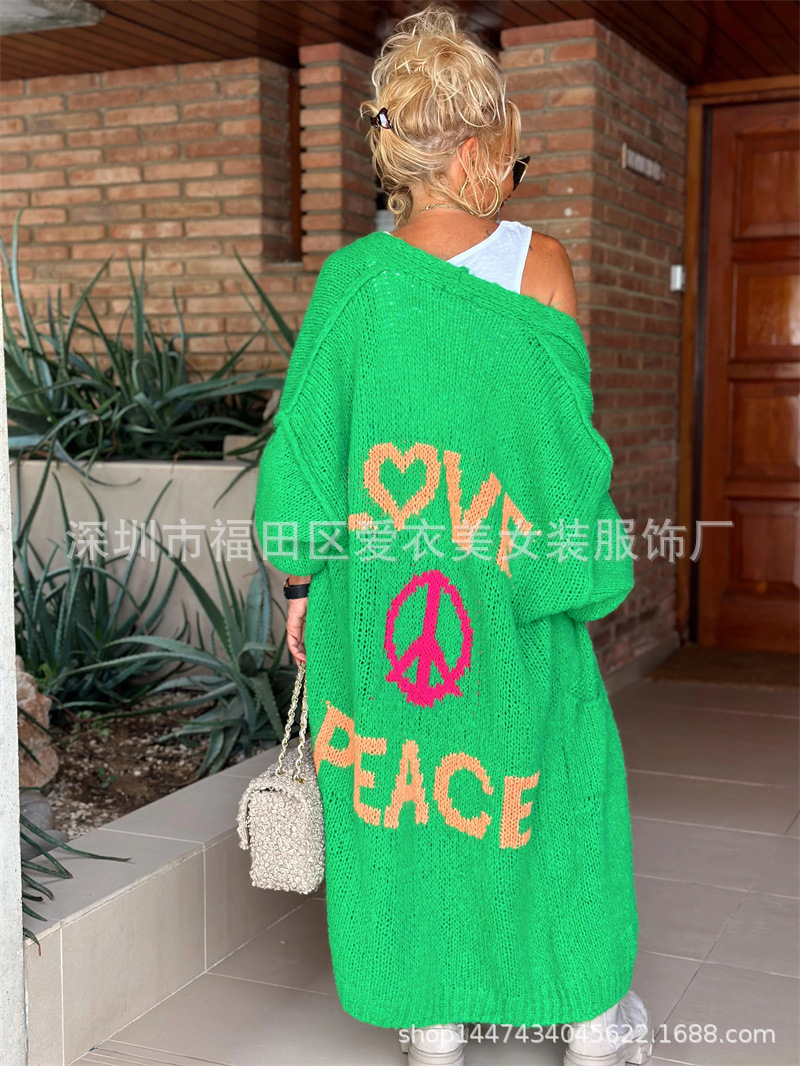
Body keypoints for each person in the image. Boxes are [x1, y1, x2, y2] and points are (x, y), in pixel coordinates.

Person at [254, 5, 654, 1065]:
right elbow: (565, 466)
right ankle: (588, 1017)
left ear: (399, 148)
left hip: (382, 609)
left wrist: (299, 587)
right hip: (508, 597)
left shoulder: (351, 286)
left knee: (409, 806)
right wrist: (575, 569)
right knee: (549, 790)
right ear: (477, 144)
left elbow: (304, 460)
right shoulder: (541, 267)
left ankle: (432, 1018)